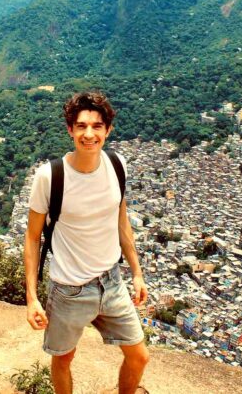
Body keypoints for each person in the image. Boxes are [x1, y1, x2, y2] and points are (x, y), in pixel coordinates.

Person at [24, 91, 149, 394]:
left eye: (96, 126)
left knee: (139, 356)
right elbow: (32, 237)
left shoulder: (117, 166)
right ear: (70, 129)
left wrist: (136, 271)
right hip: (69, 289)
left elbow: (122, 221)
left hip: (112, 281)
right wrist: (31, 297)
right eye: (81, 126)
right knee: (64, 358)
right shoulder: (50, 177)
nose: (89, 134)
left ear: (108, 130)